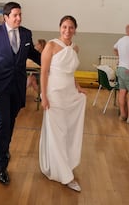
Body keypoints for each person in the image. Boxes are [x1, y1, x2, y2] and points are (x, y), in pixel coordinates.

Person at [0, 2, 41, 185]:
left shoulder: (26, 33)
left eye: (20, 14)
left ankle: (5, 147)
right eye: (15, 15)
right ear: (6, 17)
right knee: (2, 122)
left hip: (17, 88)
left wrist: (53, 59)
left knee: (11, 120)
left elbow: (34, 55)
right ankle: (1, 165)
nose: (19, 18)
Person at [39, 16, 86, 192]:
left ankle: (62, 163)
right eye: (65, 27)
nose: (68, 30)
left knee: (67, 130)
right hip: (54, 93)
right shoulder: (50, 46)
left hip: (70, 92)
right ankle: (66, 176)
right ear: (60, 28)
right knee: (57, 132)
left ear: (75, 29)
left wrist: (78, 87)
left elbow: (71, 73)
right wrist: (43, 95)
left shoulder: (75, 48)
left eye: (71, 27)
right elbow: (43, 72)